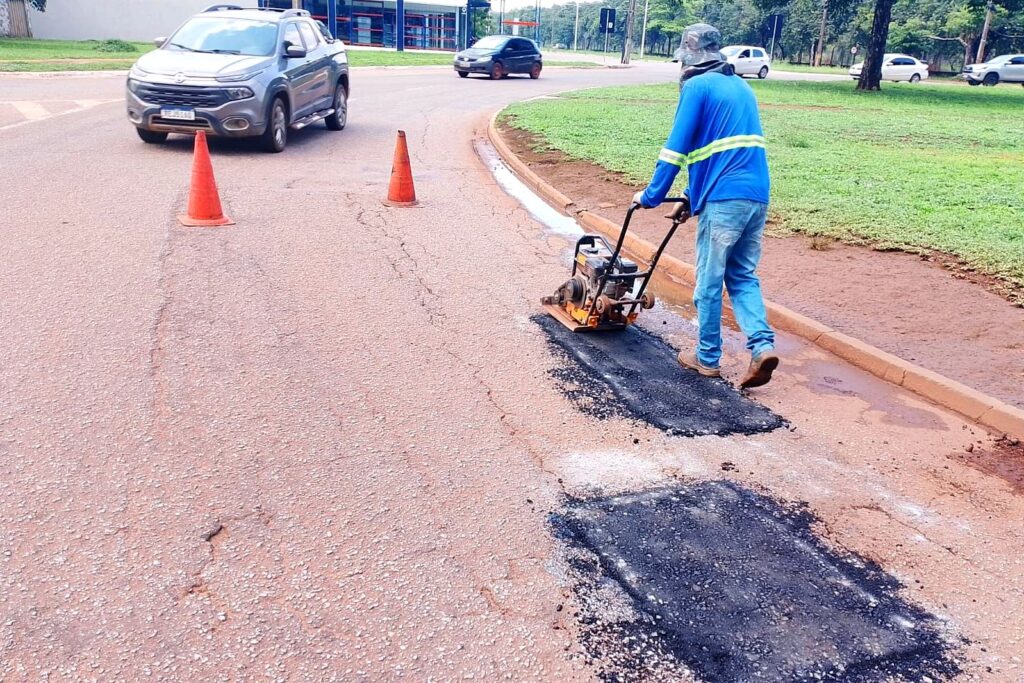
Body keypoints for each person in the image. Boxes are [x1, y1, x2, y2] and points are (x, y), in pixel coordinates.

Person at [632, 23, 779, 389]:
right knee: (743, 276)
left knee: (710, 281)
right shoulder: (741, 86)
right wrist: (689, 197)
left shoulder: (697, 87)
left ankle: (707, 358)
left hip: (724, 199)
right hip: (756, 195)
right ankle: (762, 347)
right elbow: (717, 152)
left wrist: (650, 196)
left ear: (690, 58)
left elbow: (675, 150)